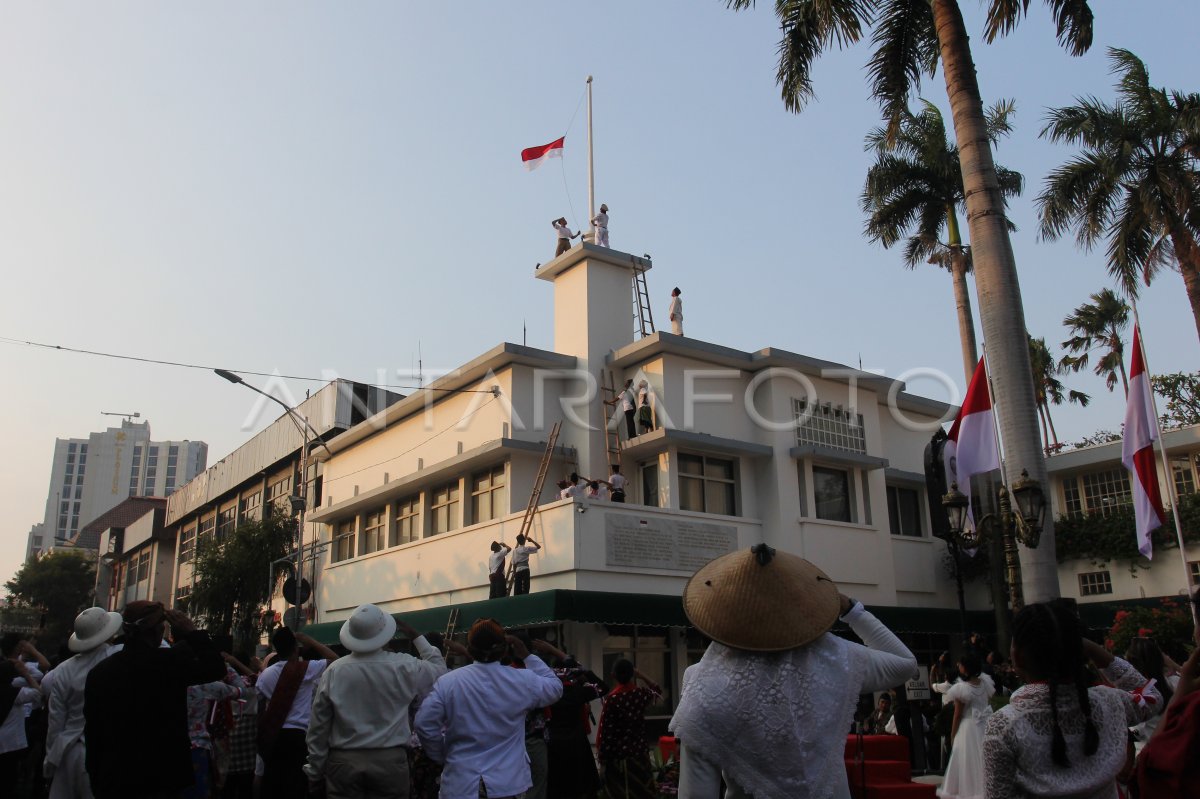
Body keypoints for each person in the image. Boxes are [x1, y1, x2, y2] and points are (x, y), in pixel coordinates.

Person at [669, 544, 918, 797]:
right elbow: (904, 662)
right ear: (802, 605)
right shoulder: (835, 660)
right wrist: (850, 609)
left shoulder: (703, 686)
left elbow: (696, 793)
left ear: (721, 615)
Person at [983, 600, 1161, 799]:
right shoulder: (1109, 702)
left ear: (1016, 655)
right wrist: (1094, 650)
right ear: (1079, 649)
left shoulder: (1005, 724)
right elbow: (1152, 697)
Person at [83, 601, 227, 799]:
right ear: (158, 630)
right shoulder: (167, 663)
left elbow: (93, 731)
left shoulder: (99, 673)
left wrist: (96, 777)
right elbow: (215, 668)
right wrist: (193, 632)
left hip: (114, 776)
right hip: (161, 774)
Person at [304, 604, 447, 798]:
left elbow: (319, 726)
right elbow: (439, 672)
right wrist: (417, 637)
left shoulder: (334, 671)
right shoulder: (404, 665)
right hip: (389, 762)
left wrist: (315, 769)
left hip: (343, 763)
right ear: (385, 633)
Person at [413, 619, 564, 799]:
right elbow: (556, 688)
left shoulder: (449, 682)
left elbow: (424, 723)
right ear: (504, 648)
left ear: (469, 648)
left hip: (460, 783)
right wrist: (528, 656)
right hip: (506, 784)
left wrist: (442, 754)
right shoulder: (522, 680)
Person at [44, 607, 123, 799]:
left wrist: (50, 760)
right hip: (105, 749)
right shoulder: (119, 657)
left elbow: (55, 720)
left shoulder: (63, 670)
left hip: (68, 749)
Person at [256, 627, 340, 799]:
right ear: (296, 648)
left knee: (275, 784)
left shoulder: (265, 675)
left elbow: (261, 703)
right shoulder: (306, 669)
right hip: (298, 735)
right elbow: (335, 659)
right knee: (296, 786)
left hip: (274, 734)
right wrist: (309, 640)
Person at [535, 641, 607, 799]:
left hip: (553, 747)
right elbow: (603, 687)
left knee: (556, 790)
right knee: (579, 789)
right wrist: (557, 652)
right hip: (577, 746)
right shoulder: (577, 692)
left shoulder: (545, 692)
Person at [597, 658, 661, 798]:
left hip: (619, 760)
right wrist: (642, 675)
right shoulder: (640, 694)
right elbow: (657, 690)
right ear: (632, 674)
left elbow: (607, 733)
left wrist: (602, 761)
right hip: (640, 757)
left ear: (613, 675)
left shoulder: (613, 699)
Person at [937, 653, 994, 799]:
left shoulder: (962, 688)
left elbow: (957, 715)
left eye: (961, 664)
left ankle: (967, 792)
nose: (958, 666)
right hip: (984, 726)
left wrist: (952, 734)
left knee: (965, 760)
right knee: (982, 761)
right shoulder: (984, 682)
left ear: (966, 668)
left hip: (968, 727)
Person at [1, 647, 42, 788]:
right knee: (9, 782)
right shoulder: (16, 694)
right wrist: (26, 674)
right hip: (11, 745)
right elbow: (39, 693)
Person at [1124, 637, 1177, 747]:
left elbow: (1137, 734)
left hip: (1150, 754)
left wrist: (1123, 735)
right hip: (1179, 749)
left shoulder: (1136, 696)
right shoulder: (1177, 682)